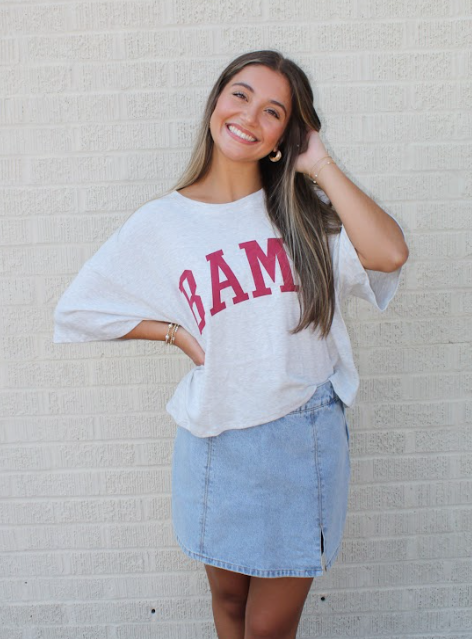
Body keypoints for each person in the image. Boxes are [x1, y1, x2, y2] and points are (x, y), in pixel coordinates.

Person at [53, 49, 409, 639]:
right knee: (227, 608)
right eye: (240, 94)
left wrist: (318, 161)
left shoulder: (301, 215)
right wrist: (172, 333)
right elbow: (81, 309)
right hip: (214, 438)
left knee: (268, 629)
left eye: (274, 111)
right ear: (217, 102)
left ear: (284, 135)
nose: (249, 115)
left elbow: (389, 254)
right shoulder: (162, 222)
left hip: (301, 439)